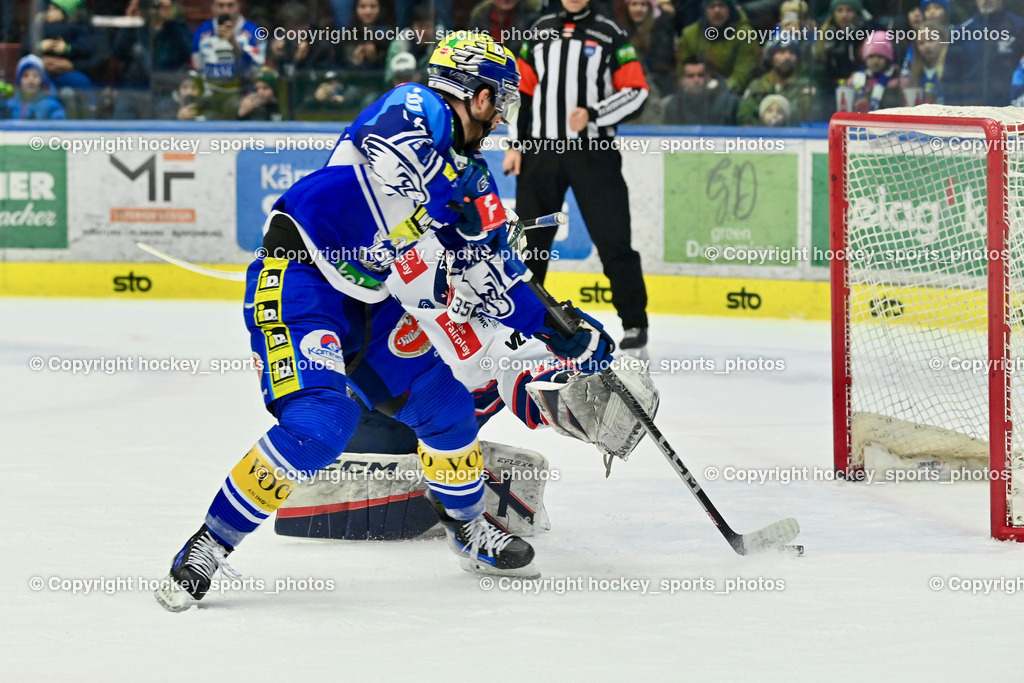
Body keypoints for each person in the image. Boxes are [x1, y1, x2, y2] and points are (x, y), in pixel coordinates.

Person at [154, 33, 615, 612]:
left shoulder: (472, 179)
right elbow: (392, 176)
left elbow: (499, 276)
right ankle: (209, 545)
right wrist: (449, 233)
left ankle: (468, 528)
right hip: (303, 281)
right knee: (321, 425)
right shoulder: (416, 107)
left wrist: (564, 330)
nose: (501, 117)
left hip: (374, 297)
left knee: (446, 410)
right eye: (498, 100)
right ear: (472, 93)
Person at [504, 0, 651, 357]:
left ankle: (635, 322)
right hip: (539, 153)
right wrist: (514, 144)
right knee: (530, 246)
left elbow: (637, 91)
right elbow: (519, 93)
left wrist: (596, 113)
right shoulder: (536, 32)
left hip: (594, 154)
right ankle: (522, 326)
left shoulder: (610, 34)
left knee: (614, 239)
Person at [191, 0, 266, 120]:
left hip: (242, 93)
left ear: (238, 6)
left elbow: (256, 66)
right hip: (211, 96)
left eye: (230, 5)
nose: (225, 10)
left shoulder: (254, 31)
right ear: (212, 7)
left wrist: (233, 42)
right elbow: (197, 65)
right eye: (220, 6)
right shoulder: (202, 31)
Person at [943, 0, 1024, 106]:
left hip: (1011, 110)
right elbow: (950, 79)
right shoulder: (961, 33)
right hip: (970, 111)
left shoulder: (1019, 28)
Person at [676, 0, 761, 94]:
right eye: (712, 6)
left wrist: (717, 92)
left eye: (722, 5)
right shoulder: (690, 34)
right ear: (704, 10)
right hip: (694, 91)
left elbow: (741, 75)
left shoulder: (745, 34)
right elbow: (681, 71)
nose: (717, 10)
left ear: (731, 9)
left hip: (732, 95)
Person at [737, 38, 823, 125]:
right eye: (782, 52)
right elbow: (744, 117)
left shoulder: (807, 86)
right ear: (771, 57)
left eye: (792, 53)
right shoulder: (758, 85)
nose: (787, 57)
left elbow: (808, 116)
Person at [660, 56, 738, 124]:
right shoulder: (673, 106)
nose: (696, 80)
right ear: (683, 79)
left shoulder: (728, 104)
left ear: (709, 77)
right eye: (690, 76)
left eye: (701, 75)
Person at [1, 54, 66, 120]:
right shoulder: (8, 106)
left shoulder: (52, 107)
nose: (31, 80)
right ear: (19, 81)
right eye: (25, 76)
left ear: (42, 80)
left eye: (35, 76)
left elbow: (58, 128)